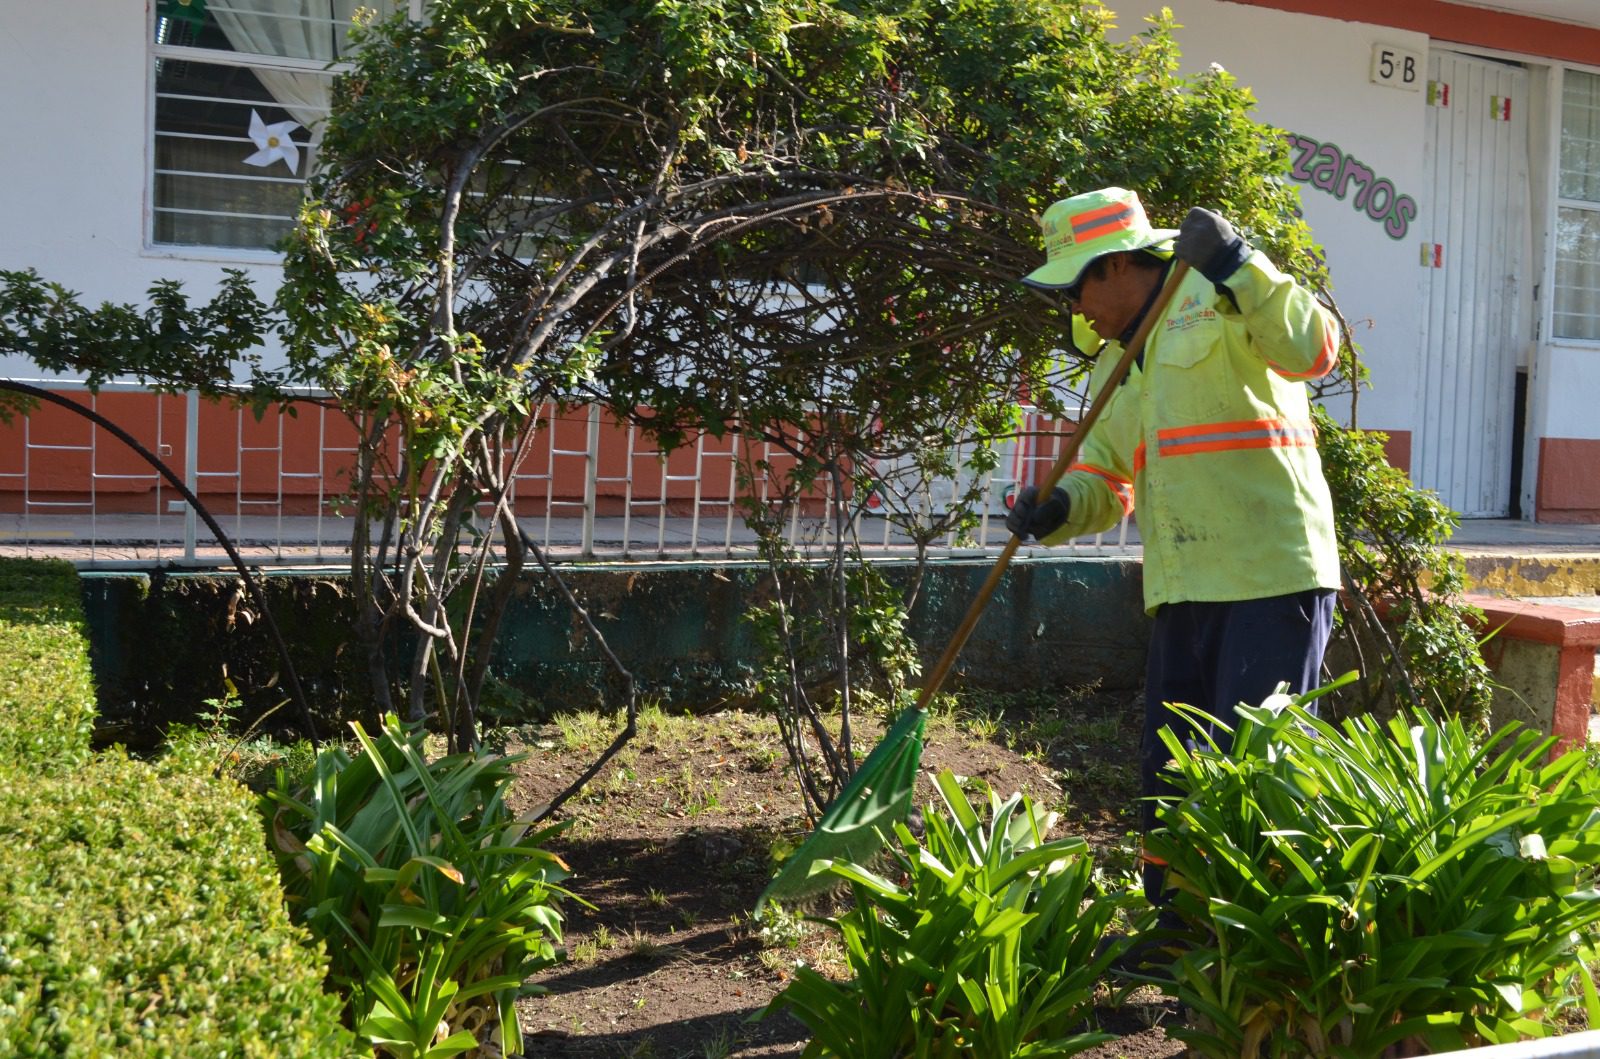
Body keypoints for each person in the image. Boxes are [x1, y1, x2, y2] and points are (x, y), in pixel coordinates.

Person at [1005, 186, 1341, 912]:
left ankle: (1258, 950)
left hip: (1270, 575)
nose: (1073, 308)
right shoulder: (1115, 364)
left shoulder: (1224, 295)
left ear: (1118, 264)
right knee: (1173, 771)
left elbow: (1314, 348)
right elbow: (1104, 477)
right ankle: (1180, 932)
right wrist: (1057, 507)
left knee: (1262, 773)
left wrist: (1240, 262)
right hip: (1184, 587)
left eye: (1075, 286)